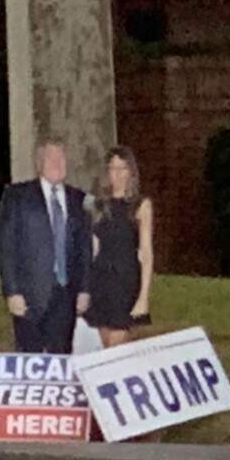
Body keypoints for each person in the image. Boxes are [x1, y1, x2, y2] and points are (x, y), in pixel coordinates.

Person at [0, 138, 92, 354]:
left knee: (62, 361)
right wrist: (11, 292)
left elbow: (84, 248)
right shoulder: (17, 196)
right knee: (30, 363)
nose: (58, 162)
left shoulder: (78, 199)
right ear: (39, 163)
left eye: (61, 157)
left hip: (66, 297)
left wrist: (84, 289)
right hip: (30, 297)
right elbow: (6, 247)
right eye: (52, 157)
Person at [85, 146, 154, 347]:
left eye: (122, 168)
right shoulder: (98, 206)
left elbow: (146, 252)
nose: (118, 174)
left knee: (117, 344)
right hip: (100, 281)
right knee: (106, 345)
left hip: (125, 280)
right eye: (113, 168)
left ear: (130, 171)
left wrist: (143, 297)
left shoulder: (140, 205)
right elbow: (92, 249)